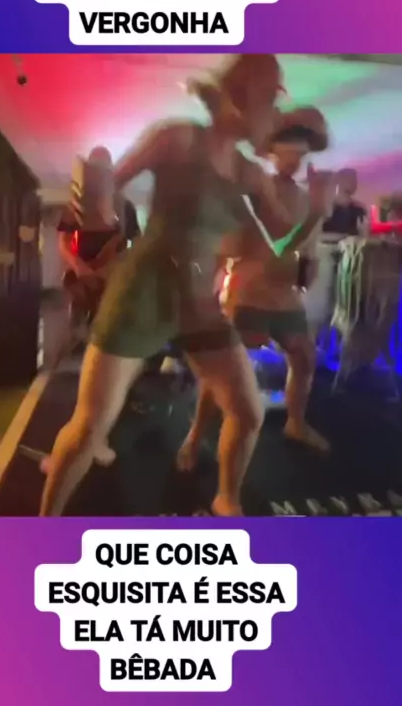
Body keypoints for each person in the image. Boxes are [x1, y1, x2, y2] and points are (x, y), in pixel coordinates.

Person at [40, 55, 334, 517]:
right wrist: (95, 201)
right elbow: (111, 184)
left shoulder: (249, 174)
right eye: (271, 101)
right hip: (143, 295)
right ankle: (44, 523)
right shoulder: (178, 138)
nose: (276, 115)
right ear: (242, 99)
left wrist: (316, 212)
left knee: (248, 411)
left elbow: (282, 243)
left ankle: (226, 499)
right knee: (90, 426)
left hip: (199, 304)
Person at [177, 108, 333, 473]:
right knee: (223, 372)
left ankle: (295, 423)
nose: (295, 158)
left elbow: (305, 249)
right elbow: (270, 243)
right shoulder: (256, 189)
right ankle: (194, 437)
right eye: (289, 149)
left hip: (286, 298)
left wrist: (309, 267)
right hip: (248, 295)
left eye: (301, 151)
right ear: (271, 151)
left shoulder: (307, 198)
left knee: (305, 358)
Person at [57, 145, 140, 326]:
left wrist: (113, 268)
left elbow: (136, 245)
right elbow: (64, 242)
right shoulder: (74, 206)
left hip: (112, 278)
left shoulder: (125, 207)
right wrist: (79, 267)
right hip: (82, 279)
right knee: (80, 325)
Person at [322, 167, 367, 236]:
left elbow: (361, 231)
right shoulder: (329, 207)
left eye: (355, 179)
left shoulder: (359, 208)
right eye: (350, 179)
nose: (354, 183)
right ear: (339, 180)